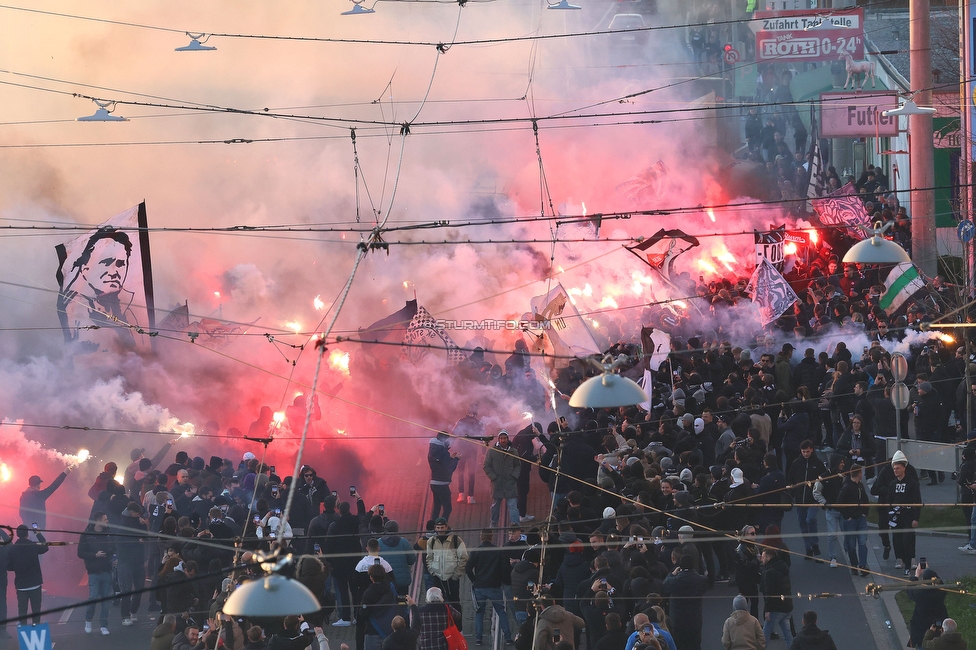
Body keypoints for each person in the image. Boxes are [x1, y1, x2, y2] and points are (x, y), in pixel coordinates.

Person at [466, 529, 514, 645]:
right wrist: (504, 581)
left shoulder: (476, 551)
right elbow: (504, 569)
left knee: (479, 612)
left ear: (481, 537)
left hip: (480, 587)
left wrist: (474, 580)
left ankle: (478, 638)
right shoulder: (498, 551)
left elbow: (467, 568)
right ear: (492, 537)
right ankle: (508, 637)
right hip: (494, 586)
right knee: (501, 611)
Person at [77, 512, 116, 635]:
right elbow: (80, 553)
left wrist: (114, 558)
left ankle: (103, 625)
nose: (107, 521)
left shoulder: (109, 533)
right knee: (93, 597)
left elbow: (114, 548)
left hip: (107, 570)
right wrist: (95, 555)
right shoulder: (86, 535)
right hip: (93, 571)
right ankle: (88, 620)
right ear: (98, 521)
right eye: (105, 519)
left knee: (105, 600)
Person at [426, 518, 468, 629]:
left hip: (452, 579)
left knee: (455, 603)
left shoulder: (456, 540)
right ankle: (442, 627)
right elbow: (429, 558)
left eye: (442, 527)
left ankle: (458, 629)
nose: (440, 530)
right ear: (435, 528)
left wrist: (456, 575)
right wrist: (432, 571)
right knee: (438, 605)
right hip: (438, 578)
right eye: (438, 528)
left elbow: (463, 557)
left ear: (446, 527)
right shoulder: (432, 541)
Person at [788, 441, 825, 558]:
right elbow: (791, 479)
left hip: (813, 499)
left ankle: (814, 544)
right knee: (803, 524)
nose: (805, 454)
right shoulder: (796, 463)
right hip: (800, 500)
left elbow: (824, 480)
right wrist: (790, 495)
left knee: (810, 519)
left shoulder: (818, 463)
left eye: (807, 451)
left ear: (812, 450)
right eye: (803, 452)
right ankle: (808, 548)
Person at [4, 524, 47, 625]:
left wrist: (18, 567)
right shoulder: (32, 545)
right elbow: (45, 547)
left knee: (22, 612)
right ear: (27, 534)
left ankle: (24, 632)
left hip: (21, 585)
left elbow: (8, 566)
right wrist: (38, 534)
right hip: (35, 584)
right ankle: (36, 631)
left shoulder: (13, 549)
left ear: (17, 534)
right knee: (36, 610)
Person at [888, 450, 922, 576]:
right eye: (894, 468)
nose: (895, 470)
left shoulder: (912, 484)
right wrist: (890, 515)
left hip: (908, 516)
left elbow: (917, 501)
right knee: (897, 539)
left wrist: (916, 518)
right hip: (896, 517)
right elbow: (889, 501)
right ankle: (900, 559)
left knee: (907, 539)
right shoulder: (892, 484)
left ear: (904, 468)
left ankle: (908, 563)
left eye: (898, 468)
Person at [663, 553, 707, 650]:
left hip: (678, 621)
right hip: (695, 621)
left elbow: (665, 585)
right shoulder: (701, 580)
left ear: (680, 566)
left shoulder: (674, 581)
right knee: (694, 646)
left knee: (677, 645)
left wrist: (672, 574)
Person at [483, 430, 521, 528]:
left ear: (508, 439)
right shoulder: (492, 451)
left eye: (505, 438)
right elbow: (486, 466)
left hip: (510, 483)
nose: (503, 440)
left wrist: (514, 476)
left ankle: (515, 525)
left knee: (512, 505)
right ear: (498, 439)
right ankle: (494, 523)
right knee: (495, 505)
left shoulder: (514, 451)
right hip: (497, 483)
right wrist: (494, 477)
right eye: (501, 438)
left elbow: (518, 465)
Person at [837, 464, 870, 576]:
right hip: (851, 520)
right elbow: (839, 504)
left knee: (862, 543)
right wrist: (847, 516)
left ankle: (862, 565)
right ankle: (854, 565)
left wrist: (865, 513)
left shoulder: (860, 485)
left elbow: (865, 500)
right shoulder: (846, 487)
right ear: (859, 473)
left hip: (860, 518)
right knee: (851, 545)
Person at [760, 548, 793, 646]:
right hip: (787, 606)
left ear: (768, 558)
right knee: (788, 635)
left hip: (776, 608)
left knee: (764, 636)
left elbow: (769, 592)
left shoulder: (770, 572)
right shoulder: (783, 568)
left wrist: (767, 610)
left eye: (763, 557)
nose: (761, 559)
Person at [453, 405, 486, 504]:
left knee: (461, 472)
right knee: (471, 473)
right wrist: (483, 452)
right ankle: (470, 496)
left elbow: (453, 433)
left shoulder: (461, 421)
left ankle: (461, 494)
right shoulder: (479, 423)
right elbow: (483, 438)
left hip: (461, 449)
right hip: (472, 451)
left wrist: (448, 446)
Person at [909, 567, 948, 648]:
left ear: (923, 580)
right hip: (938, 627)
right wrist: (930, 571)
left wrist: (916, 576)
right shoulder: (940, 593)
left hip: (921, 630)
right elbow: (942, 584)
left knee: (922, 645)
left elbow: (909, 589)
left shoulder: (919, 594)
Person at [428, 431, 460, 522]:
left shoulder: (432, 451)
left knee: (437, 507)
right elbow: (449, 468)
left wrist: (451, 458)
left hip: (434, 483)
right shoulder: (444, 452)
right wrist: (456, 459)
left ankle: (433, 527)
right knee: (447, 508)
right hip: (442, 485)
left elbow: (440, 464)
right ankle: (441, 526)